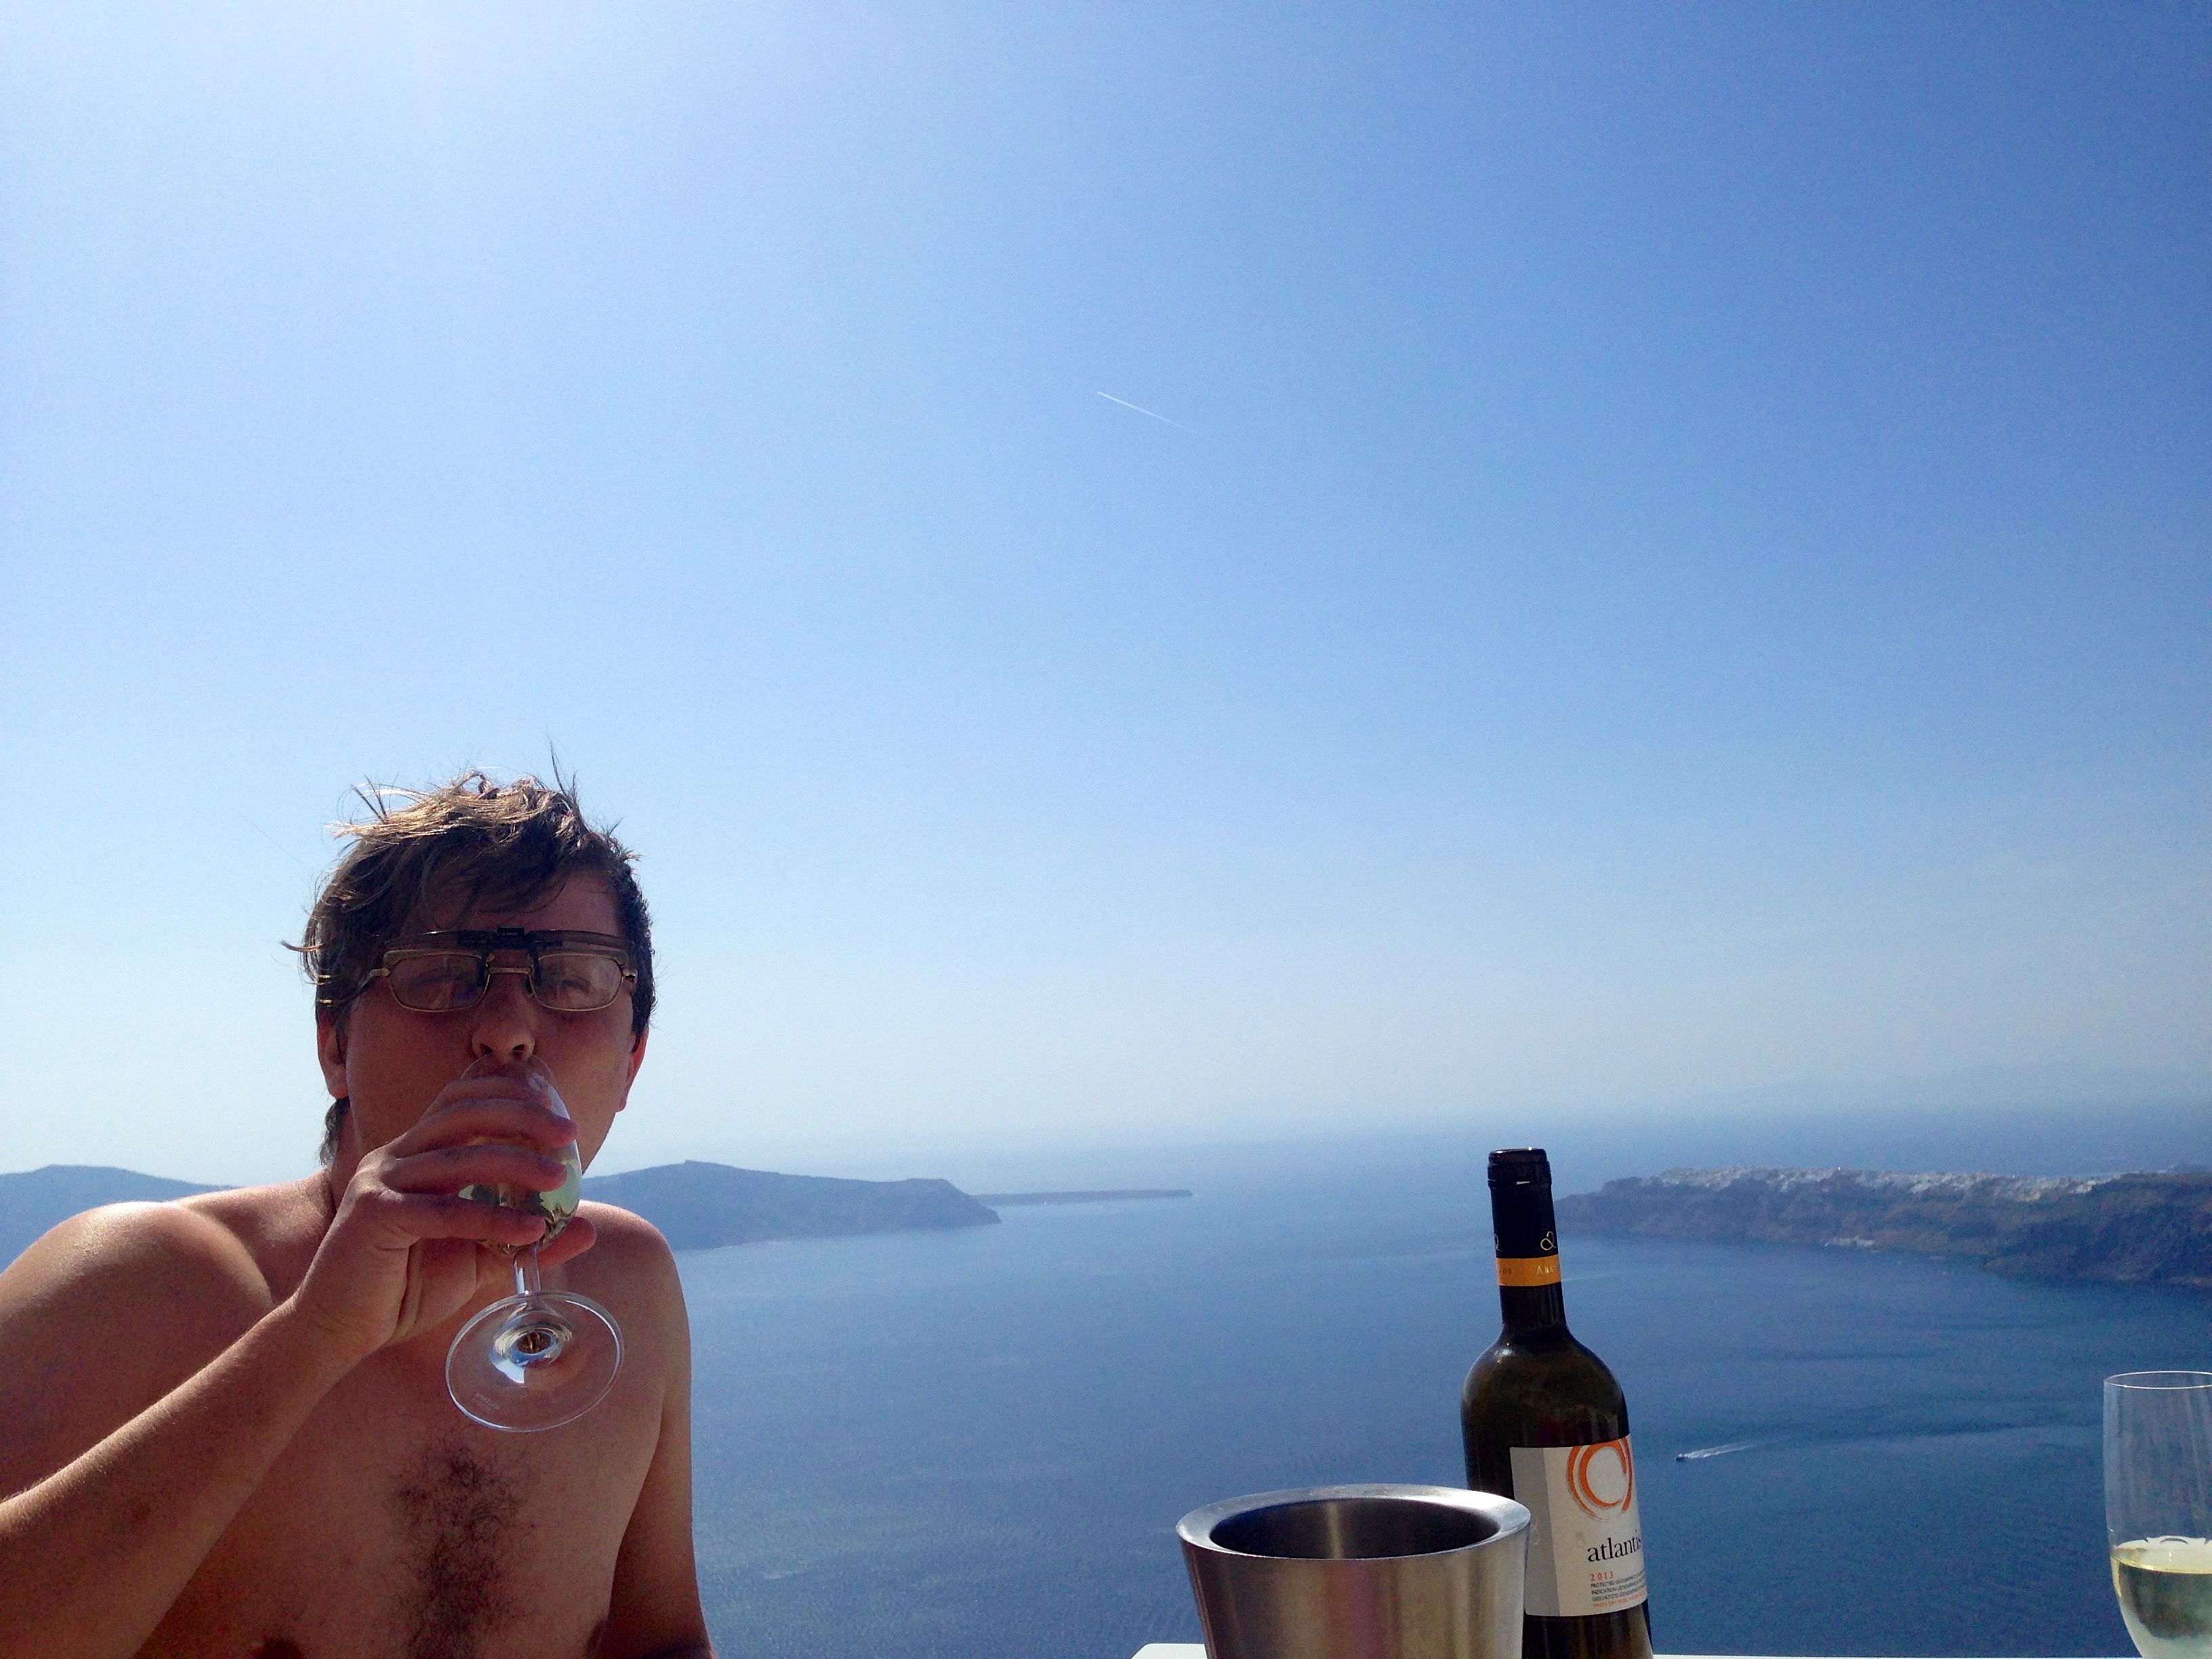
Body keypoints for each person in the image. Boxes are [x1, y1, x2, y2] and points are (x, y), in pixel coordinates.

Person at [0, 773, 714, 1659]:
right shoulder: (143, 1283)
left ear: (633, 1060)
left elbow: (663, 1641)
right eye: (438, 977)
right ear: (335, 1044)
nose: (508, 1030)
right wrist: (314, 1337)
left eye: (573, 980)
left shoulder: (628, 1288)